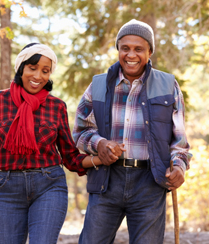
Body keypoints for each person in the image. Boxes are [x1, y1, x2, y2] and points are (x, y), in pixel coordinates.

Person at [0, 43, 105, 244]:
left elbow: (70, 158)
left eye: (45, 71)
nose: (38, 76)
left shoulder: (56, 106)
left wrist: (101, 158)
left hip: (49, 186)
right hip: (7, 189)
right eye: (32, 68)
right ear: (21, 68)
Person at [73, 19, 192, 244]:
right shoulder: (97, 85)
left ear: (149, 52)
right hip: (106, 181)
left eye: (139, 49)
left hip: (150, 181)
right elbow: (80, 132)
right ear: (118, 49)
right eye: (125, 48)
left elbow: (179, 140)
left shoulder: (168, 85)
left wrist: (179, 166)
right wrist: (99, 143)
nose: (131, 55)